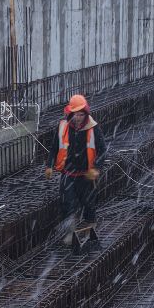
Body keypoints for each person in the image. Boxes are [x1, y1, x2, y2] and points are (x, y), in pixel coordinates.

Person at [54, 94, 105, 228]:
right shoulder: (63, 127)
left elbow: (102, 150)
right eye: (75, 114)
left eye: (81, 114)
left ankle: (90, 227)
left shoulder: (93, 128)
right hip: (68, 173)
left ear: (86, 114)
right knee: (68, 203)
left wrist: (96, 168)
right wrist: (49, 165)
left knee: (88, 203)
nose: (78, 117)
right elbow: (54, 147)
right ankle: (69, 231)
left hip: (86, 174)